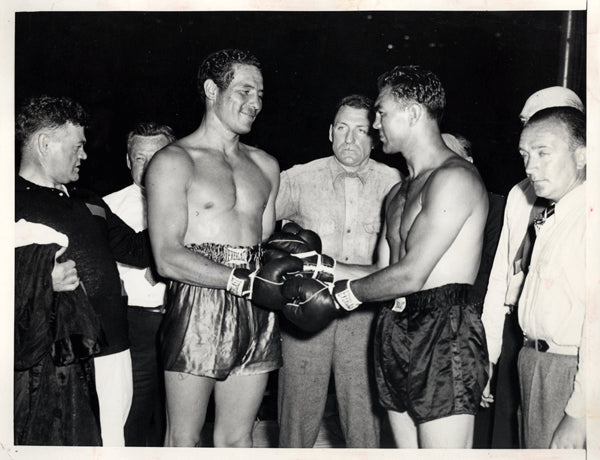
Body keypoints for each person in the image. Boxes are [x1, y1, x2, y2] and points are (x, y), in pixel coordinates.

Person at [278, 65, 489, 448]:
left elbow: (411, 275)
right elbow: (381, 270)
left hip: (443, 328)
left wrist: (338, 296)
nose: (376, 123)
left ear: (411, 113)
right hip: (393, 325)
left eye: (382, 112)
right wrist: (315, 266)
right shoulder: (399, 193)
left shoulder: (455, 179)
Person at [145, 49, 286, 448]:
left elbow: (263, 244)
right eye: (244, 90)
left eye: (260, 93)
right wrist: (241, 281)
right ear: (211, 89)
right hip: (199, 300)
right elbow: (167, 256)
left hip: (257, 304)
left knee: (239, 438)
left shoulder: (266, 166)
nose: (255, 102)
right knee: (184, 438)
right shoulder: (174, 161)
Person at [15, 95, 152, 446]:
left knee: (112, 442)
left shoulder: (89, 199)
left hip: (115, 347)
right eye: (77, 146)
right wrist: (42, 278)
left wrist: (183, 209)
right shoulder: (11, 201)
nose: (85, 155)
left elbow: (139, 250)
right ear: (44, 144)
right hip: (55, 361)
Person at [276, 94, 401, 448]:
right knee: (295, 420)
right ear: (330, 132)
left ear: (375, 138)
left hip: (366, 316)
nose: (350, 139)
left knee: (364, 420)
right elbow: (254, 222)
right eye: (343, 129)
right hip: (304, 317)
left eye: (361, 131)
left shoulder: (395, 182)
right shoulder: (298, 178)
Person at [480, 87, 584, 448]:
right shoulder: (520, 195)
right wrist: (488, 353)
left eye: (544, 148)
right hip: (521, 340)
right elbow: (499, 279)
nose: (530, 162)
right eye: (525, 125)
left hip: (572, 355)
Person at [104, 121, 176, 446]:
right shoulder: (106, 207)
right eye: (139, 158)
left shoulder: (195, 203)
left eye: (156, 156)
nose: (147, 167)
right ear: (128, 160)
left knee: (179, 418)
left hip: (180, 316)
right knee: (131, 414)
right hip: (133, 323)